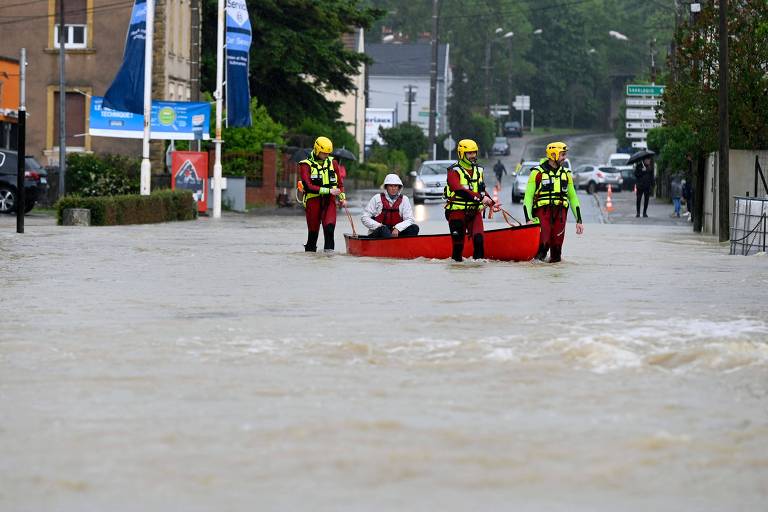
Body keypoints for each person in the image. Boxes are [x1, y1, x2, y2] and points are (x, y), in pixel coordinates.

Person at [523, 141, 584, 263]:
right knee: (544, 245)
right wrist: (528, 218)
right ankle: (537, 273)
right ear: (553, 155)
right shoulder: (537, 173)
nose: (564, 158)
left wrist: (579, 220)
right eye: (562, 155)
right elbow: (528, 198)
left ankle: (554, 275)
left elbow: (573, 198)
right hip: (542, 213)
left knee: (557, 250)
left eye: (564, 154)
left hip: (560, 214)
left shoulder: (566, 174)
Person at [444, 138, 497, 262]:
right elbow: (459, 190)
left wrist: (491, 203)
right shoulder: (453, 171)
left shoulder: (479, 170)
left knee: (479, 240)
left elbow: (481, 190)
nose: (473, 156)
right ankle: (457, 271)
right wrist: (480, 198)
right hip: (457, 212)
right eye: (469, 153)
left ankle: (477, 273)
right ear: (461, 154)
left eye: (474, 153)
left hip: (474, 212)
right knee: (458, 246)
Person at [298, 136, 346, 252]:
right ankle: (310, 256)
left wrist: (342, 197)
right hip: (313, 201)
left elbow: (340, 183)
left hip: (329, 201)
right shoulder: (305, 165)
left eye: (328, 153)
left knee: (329, 230)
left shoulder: (333, 162)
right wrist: (328, 190)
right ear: (316, 150)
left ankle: (329, 260)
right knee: (313, 234)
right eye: (324, 153)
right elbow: (309, 186)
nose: (326, 156)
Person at [360, 174, 419, 238]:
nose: (393, 188)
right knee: (383, 229)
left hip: (396, 233)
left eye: (395, 186)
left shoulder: (404, 199)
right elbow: (364, 217)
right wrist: (379, 226)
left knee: (414, 228)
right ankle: (390, 243)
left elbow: (410, 219)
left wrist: (398, 228)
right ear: (386, 187)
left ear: (399, 187)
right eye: (390, 186)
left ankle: (402, 245)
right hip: (378, 234)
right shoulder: (377, 198)